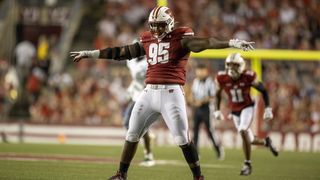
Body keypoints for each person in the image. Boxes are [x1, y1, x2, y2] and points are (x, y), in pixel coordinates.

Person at [71, 6, 254, 180]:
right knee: (132, 134)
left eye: (160, 25)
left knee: (182, 138)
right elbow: (121, 52)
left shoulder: (181, 37)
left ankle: (198, 176)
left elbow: (206, 43)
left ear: (169, 23)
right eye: (153, 25)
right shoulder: (147, 39)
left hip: (171, 93)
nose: (156, 29)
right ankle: (121, 174)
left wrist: (231, 43)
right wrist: (90, 53)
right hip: (149, 92)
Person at [213, 53, 278, 176]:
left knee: (243, 131)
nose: (232, 68)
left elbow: (263, 90)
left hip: (247, 107)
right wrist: (217, 110)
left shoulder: (248, 76)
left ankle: (247, 164)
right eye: (229, 65)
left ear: (241, 66)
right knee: (250, 139)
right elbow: (217, 94)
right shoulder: (222, 77)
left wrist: (268, 108)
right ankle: (267, 143)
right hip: (234, 110)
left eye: (235, 65)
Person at [124, 43, 155, 167]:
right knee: (130, 125)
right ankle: (147, 143)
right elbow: (134, 78)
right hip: (136, 95)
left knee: (130, 124)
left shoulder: (147, 62)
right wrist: (130, 90)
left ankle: (148, 154)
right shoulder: (132, 61)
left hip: (144, 96)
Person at [191, 63, 223, 160]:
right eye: (198, 70)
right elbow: (193, 94)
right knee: (195, 131)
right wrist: (194, 101)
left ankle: (218, 150)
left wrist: (201, 101)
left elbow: (212, 96)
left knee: (210, 131)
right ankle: (196, 153)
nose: (199, 72)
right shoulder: (195, 81)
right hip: (197, 109)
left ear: (205, 71)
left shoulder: (210, 82)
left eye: (201, 70)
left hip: (207, 109)